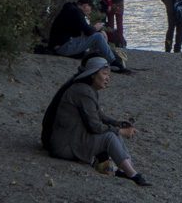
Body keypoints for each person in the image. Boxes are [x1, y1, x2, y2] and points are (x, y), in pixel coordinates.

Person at [42, 56, 151, 186]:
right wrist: (120, 131)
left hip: (70, 139)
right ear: (93, 74)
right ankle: (133, 175)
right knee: (110, 137)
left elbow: (99, 115)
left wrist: (117, 123)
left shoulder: (86, 90)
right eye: (104, 74)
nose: (108, 78)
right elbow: (94, 126)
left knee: (113, 133)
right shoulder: (83, 92)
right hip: (64, 146)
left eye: (108, 74)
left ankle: (126, 169)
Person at [48, 0, 129, 73]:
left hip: (60, 46)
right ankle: (113, 62)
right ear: (85, 6)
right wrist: (96, 28)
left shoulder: (71, 9)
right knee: (98, 36)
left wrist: (96, 30)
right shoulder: (76, 12)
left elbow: (82, 32)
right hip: (62, 48)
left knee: (99, 35)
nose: (90, 10)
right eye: (90, 7)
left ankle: (99, 59)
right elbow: (88, 31)